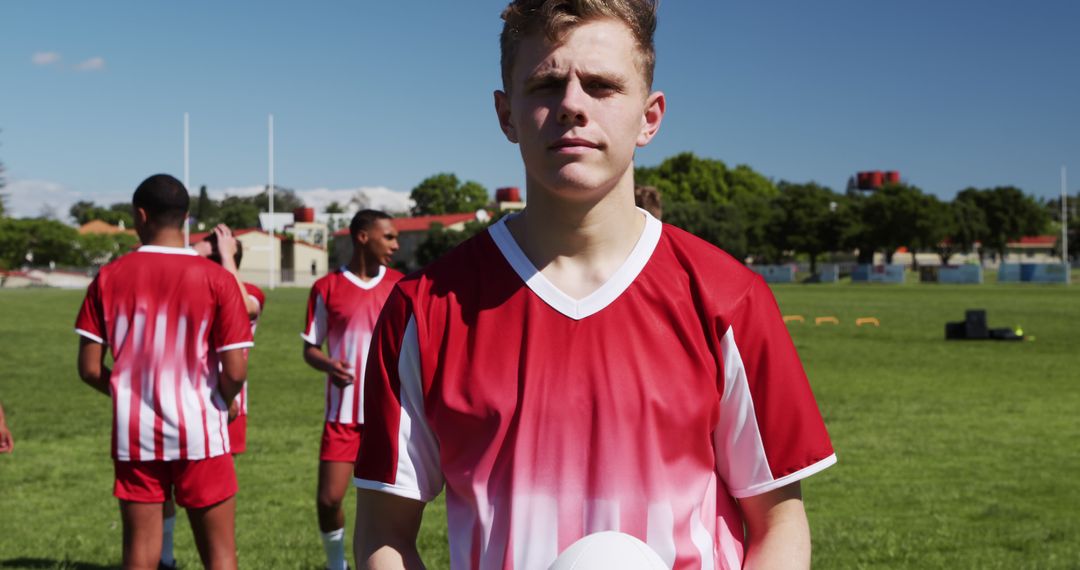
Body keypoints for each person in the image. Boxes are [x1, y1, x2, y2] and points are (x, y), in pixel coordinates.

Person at [352, 1, 836, 569]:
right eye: (546, 85)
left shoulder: (730, 299)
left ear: (650, 116)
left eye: (602, 86)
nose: (572, 106)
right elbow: (385, 533)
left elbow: (778, 522)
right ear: (506, 114)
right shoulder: (423, 310)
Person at [75, 174, 253, 570]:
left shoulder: (107, 277)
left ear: (140, 215)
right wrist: (222, 400)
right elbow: (236, 369)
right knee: (221, 556)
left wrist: (131, 394)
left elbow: (89, 369)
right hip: (202, 431)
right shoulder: (218, 279)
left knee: (140, 555)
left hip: (135, 433)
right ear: (187, 218)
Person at [153, 225, 266, 570]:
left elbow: (242, 309)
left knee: (211, 496)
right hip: (177, 400)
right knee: (163, 484)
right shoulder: (187, 287)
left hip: (226, 405)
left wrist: (225, 256)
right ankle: (165, 557)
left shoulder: (249, 291)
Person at [301, 210, 401, 570]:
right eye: (388, 236)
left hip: (388, 418)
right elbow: (311, 347)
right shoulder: (326, 288)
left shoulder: (401, 286)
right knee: (329, 500)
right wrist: (328, 364)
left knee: (385, 512)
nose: (395, 244)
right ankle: (336, 565)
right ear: (362, 237)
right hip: (341, 416)